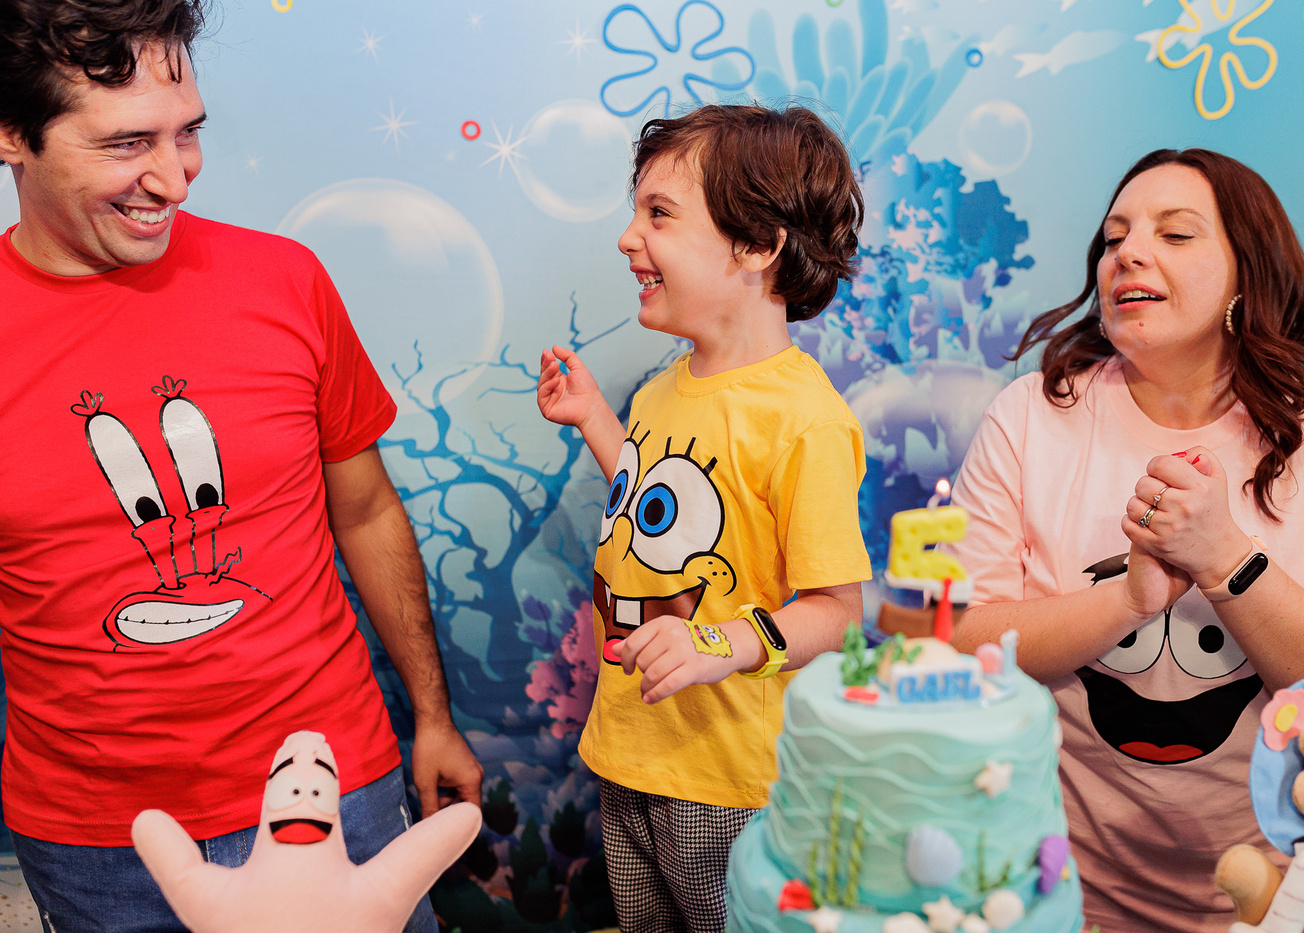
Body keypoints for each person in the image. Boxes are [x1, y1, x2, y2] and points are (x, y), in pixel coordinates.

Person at [0, 2, 482, 930]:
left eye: (187, 132)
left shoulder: (284, 281)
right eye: (127, 142)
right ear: (12, 134)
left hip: (333, 787)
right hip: (97, 842)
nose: (175, 177)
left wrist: (432, 712)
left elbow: (366, 511)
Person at [944, 147, 1304, 932]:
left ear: (1248, 271)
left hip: (1287, 894)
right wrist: (1127, 599)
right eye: (1113, 236)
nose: (1128, 252)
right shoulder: (1030, 415)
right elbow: (959, 641)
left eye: (1175, 233)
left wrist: (1226, 561)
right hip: (1055, 882)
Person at [536, 104, 871, 933]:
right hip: (630, 749)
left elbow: (837, 613)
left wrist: (717, 644)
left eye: (659, 214)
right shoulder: (661, 389)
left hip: (728, 778)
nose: (628, 238)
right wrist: (596, 422)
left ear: (757, 246)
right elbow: (662, 511)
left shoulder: (804, 421)